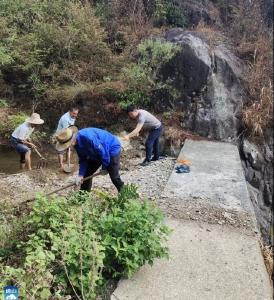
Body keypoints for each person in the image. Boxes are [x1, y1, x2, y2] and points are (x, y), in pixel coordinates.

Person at [55, 126, 124, 192]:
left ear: (71, 140)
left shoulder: (87, 138)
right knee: (86, 175)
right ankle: (83, 198)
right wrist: (80, 175)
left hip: (111, 148)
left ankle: (126, 195)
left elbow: (103, 153)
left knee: (114, 177)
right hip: (94, 153)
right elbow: (83, 159)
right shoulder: (76, 144)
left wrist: (104, 167)